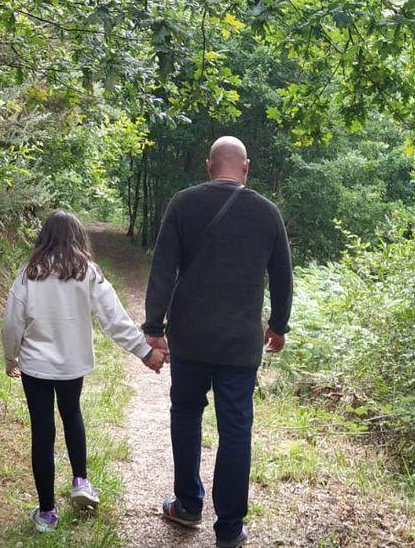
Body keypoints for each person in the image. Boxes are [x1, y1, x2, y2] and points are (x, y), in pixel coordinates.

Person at [143, 135, 293, 548]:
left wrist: (154, 326)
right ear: (246, 168)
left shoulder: (183, 203)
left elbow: (162, 268)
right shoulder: (267, 213)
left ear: (210, 166)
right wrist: (278, 324)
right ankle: (228, 529)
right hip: (239, 345)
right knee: (236, 431)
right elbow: (282, 276)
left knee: (187, 416)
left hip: (189, 339)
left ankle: (188, 505)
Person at [1, 210, 166, 533]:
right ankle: (80, 481)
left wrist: (11, 358)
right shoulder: (87, 273)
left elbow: (11, 324)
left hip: (35, 367)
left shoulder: (28, 274)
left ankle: (47, 513)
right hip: (71, 366)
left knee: (42, 431)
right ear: (78, 237)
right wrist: (145, 352)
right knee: (72, 413)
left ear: (43, 238)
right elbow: (114, 319)